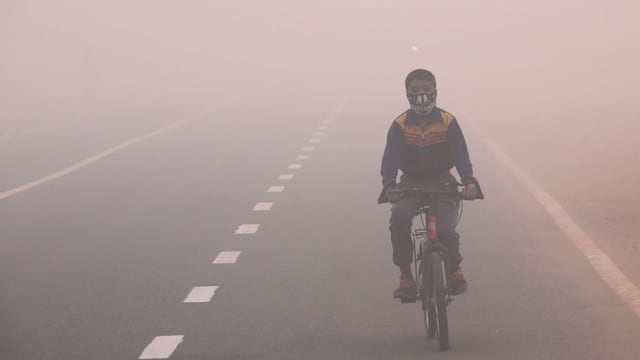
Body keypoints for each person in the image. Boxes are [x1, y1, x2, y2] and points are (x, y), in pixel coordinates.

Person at [378, 68, 481, 300]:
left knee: (446, 230)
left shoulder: (447, 121)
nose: (421, 94)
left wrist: (469, 182)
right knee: (399, 218)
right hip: (410, 184)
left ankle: (454, 269)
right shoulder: (400, 124)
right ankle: (406, 275)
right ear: (407, 94)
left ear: (435, 91)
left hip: (443, 182)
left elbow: (461, 155)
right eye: (415, 90)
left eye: (426, 89)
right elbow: (390, 158)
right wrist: (389, 186)